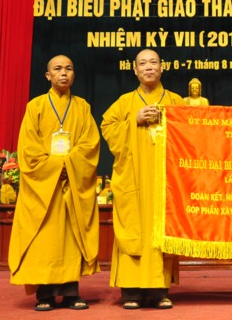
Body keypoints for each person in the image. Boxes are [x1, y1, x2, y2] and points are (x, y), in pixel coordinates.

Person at [8, 55, 101, 311]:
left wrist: (68, 166)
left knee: (71, 237)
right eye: (57, 69)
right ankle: (45, 293)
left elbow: (90, 144)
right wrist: (56, 167)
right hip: (44, 188)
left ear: (74, 75)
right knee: (45, 239)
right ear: (48, 76)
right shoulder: (35, 106)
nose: (64, 73)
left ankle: (71, 292)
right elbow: (28, 148)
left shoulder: (82, 107)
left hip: (71, 184)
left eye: (68, 69)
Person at [100, 48, 184, 310]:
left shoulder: (175, 100)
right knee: (133, 231)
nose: (148, 67)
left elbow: (189, 136)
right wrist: (134, 121)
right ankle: (131, 291)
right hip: (133, 180)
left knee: (161, 231)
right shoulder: (125, 102)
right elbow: (107, 128)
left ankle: (160, 291)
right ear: (135, 70)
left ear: (162, 68)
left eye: (153, 62)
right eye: (143, 63)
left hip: (163, 181)